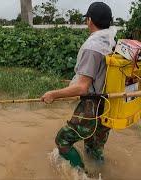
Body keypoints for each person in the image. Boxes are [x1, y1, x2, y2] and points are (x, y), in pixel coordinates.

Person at [41, 2, 116, 170]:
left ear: (90, 20)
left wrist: (53, 94)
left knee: (63, 140)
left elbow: (82, 88)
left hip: (93, 105)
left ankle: (82, 175)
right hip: (110, 104)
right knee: (94, 147)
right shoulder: (111, 41)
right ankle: (102, 172)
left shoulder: (92, 47)